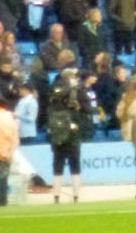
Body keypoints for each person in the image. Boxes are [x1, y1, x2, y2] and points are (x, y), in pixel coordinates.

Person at [48, 67, 91, 203]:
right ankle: (76, 196)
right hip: (73, 131)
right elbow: (88, 109)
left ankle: (56, 196)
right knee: (75, 166)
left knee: (57, 166)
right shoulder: (77, 90)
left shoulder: (54, 89)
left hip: (57, 133)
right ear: (72, 77)